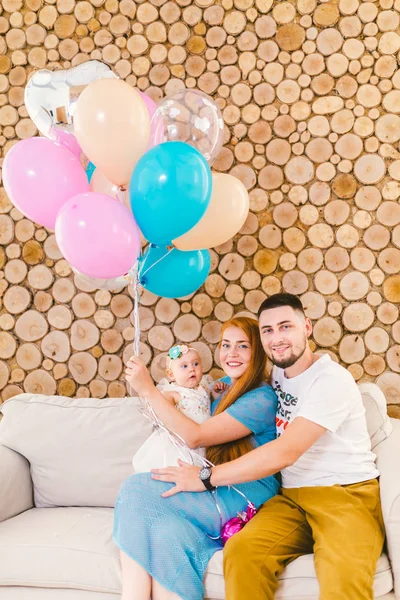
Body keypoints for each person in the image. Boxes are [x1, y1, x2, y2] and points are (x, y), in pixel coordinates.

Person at [152, 293, 384, 600]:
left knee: (343, 577)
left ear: (307, 327)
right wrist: (220, 384)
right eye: (268, 330)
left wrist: (207, 477)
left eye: (285, 327)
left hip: (343, 494)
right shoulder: (277, 374)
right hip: (292, 498)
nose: (277, 338)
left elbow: (286, 451)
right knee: (243, 553)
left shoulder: (331, 380)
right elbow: (243, 378)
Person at [113, 317, 279, 600]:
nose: (232, 353)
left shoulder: (261, 398)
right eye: (226, 345)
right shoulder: (222, 385)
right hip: (215, 482)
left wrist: (148, 389)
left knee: (135, 489)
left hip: (244, 489)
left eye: (243, 346)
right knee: (166, 534)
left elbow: (196, 436)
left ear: (258, 352)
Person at [133, 344, 226, 472]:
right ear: (171, 374)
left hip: (203, 435)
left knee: (202, 467)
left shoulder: (204, 387)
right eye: (184, 366)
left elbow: (208, 403)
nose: (192, 369)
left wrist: (216, 393)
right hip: (182, 440)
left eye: (196, 364)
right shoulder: (173, 393)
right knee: (181, 465)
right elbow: (160, 409)